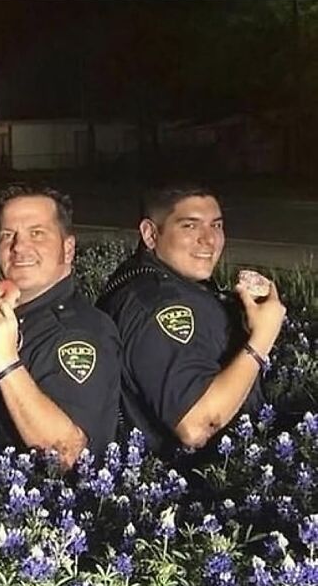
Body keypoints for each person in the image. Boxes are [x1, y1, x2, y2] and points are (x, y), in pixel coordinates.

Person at [96, 185, 286, 458]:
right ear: (150, 234)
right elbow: (197, 424)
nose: (209, 239)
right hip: (194, 484)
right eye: (190, 226)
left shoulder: (167, 283)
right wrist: (261, 339)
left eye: (216, 225)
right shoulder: (158, 306)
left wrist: (239, 327)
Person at [0, 184, 121, 468]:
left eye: (37, 233)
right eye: (8, 235)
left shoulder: (79, 334)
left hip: (34, 510)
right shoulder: (11, 318)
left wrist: (7, 363)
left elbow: (68, 453)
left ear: (67, 248)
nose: (19, 247)